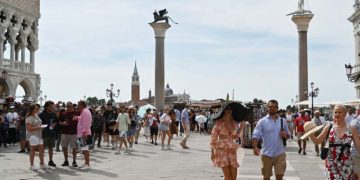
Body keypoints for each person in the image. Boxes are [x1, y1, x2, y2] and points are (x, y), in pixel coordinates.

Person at [305, 105, 360, 179]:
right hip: (331, 163)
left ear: (345, 113)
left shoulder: (352, 129)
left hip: (346, 164)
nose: (337, 114)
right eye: (335, 112)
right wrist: (310, 133)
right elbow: (317, 141)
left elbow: (359, 147)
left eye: (340, 112)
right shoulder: (329, 127)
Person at [252, 100, 290, 180]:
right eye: (270, 107)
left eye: (274, 107)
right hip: (267, 153)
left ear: (277, 108)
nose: (272, 108)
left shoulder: (282, 121)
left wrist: (285, 135)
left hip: (280, 153)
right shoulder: (262, 121)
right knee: (266, 177)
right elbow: (256, 135)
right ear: (267, 108)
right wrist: (255, 147)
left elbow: (288, 135)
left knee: (279, 176)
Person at [210, 102, 248, 180]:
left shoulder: (235, 122)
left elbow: (236, 137)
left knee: (233, 177)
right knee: (227, 176)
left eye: (230, 109)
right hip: (222, 150)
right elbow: (213, 138)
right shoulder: (218, 122)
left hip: (232, 150)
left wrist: (241, 128)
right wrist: (212, 152)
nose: (229, 110)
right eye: (227, 108)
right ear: (223, 110)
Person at [26, 104, 46, 171]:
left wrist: (41, 127)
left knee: (41, 150)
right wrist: (39, 127)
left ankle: (42, 164)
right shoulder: (29, 118)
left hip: (39, 135)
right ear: (32, 109)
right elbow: (29, 128)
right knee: (33, 150)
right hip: (32, 136)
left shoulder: (36, 115)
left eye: (37, 108)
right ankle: (31, 165)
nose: (37, 109)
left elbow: (38, 124)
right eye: (35, 108)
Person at [59, 102, 79, 167]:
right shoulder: (63, 114)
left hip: (74, 133)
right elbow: (59, 122)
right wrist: (63, 123)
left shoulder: (76, 113)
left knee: (74, 148)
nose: (68, 108)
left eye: (70, 106)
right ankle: (66, 160)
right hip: (65, 133)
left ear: (72, 107)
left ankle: (74, 161)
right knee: (64, 147)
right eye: (67, 106)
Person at [73, 100, 92, 170]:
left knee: (85, 149)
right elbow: (83, 119)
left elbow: (86, 123)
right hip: (83, 133)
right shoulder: (85, 111)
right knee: (84, 149)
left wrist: (84, 133)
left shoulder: (85, 112)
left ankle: (87, 164)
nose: (77, 106)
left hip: (84, 134)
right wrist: (78, 117)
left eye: (78, 105)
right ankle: (86, 163)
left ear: (82, 105)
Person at [39, 101, 58, 167]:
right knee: (42, 148)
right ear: (46, 107)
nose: (52, 107)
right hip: (44, 134)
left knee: (51, 148)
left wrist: (54, 124)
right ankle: (42, 162)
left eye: (52, 106)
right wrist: (43, 126)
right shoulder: (41, 114)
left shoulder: (53, 114)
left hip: (51, 133)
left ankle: (50, 161)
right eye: (50, 106)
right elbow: (39, 123)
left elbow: (56, 121)